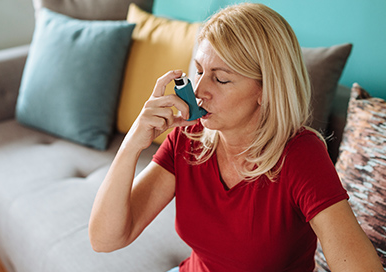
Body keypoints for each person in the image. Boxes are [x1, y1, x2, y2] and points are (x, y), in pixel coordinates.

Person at [88, 3, 383, 271]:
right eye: (200, 71)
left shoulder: (300, 155)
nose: (199, 91)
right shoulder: (189, 137)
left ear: (266, 91)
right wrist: (132, 144)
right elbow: (106, 239)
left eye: (221, 78)